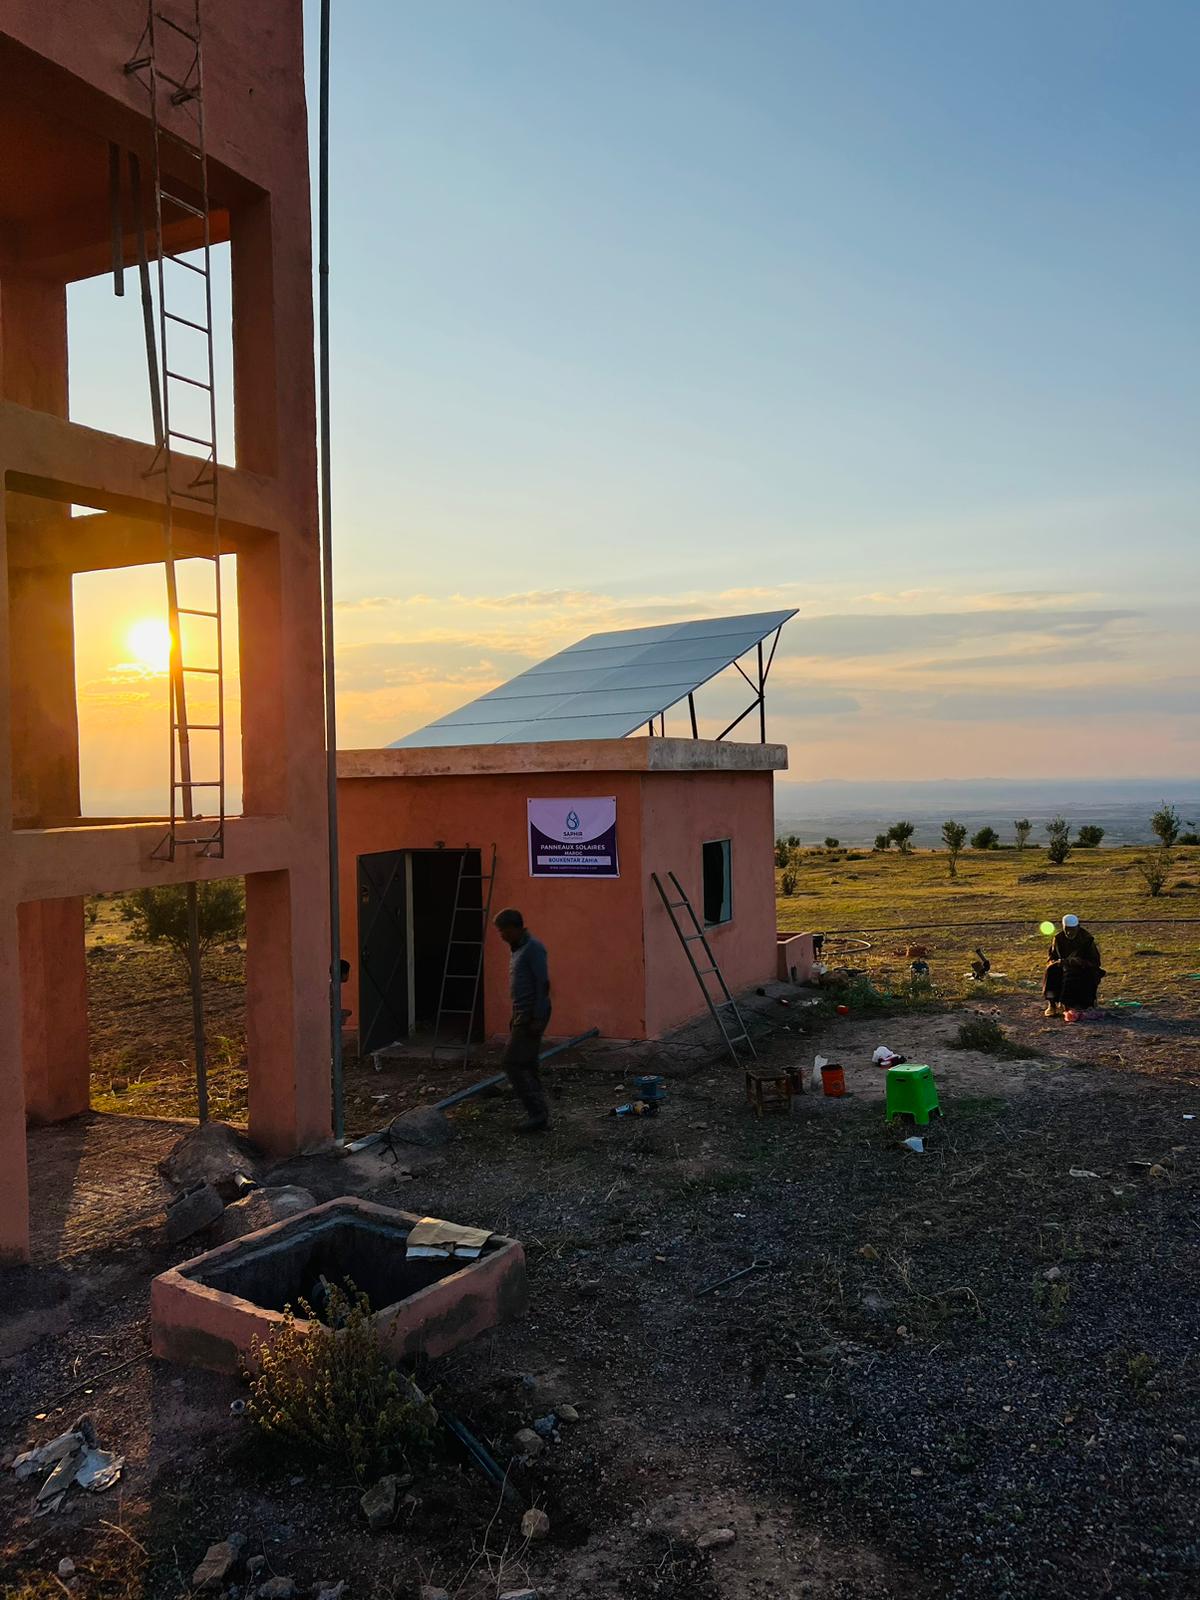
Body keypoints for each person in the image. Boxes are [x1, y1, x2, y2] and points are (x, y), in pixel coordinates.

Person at [493, 907, 552, 1132]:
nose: (502, 935)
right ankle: (540, 1114)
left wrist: (537, 1017)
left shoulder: (533, 948)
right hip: (522, 1013)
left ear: (515, 928)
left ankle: (537, 1113)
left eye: (504, 930)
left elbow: (542, 984)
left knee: (511, 1062)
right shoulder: (518, 949)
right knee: (528, 1063)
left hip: (531, 1015)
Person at [1043, 914, 1105, 1016]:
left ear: (1078, 927)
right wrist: (1057, 962)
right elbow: (1051, 958)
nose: (1069, 933)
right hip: (1063, 967)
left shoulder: (1087, 939)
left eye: (1072, 930)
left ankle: (1088, 1004)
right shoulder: (1058, 939)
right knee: (1051, 970)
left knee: (1090, 973)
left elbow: (1095, 962)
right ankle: (1052, 1004)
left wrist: (1079, 962)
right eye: (1067, 929)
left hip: (1082, 968)